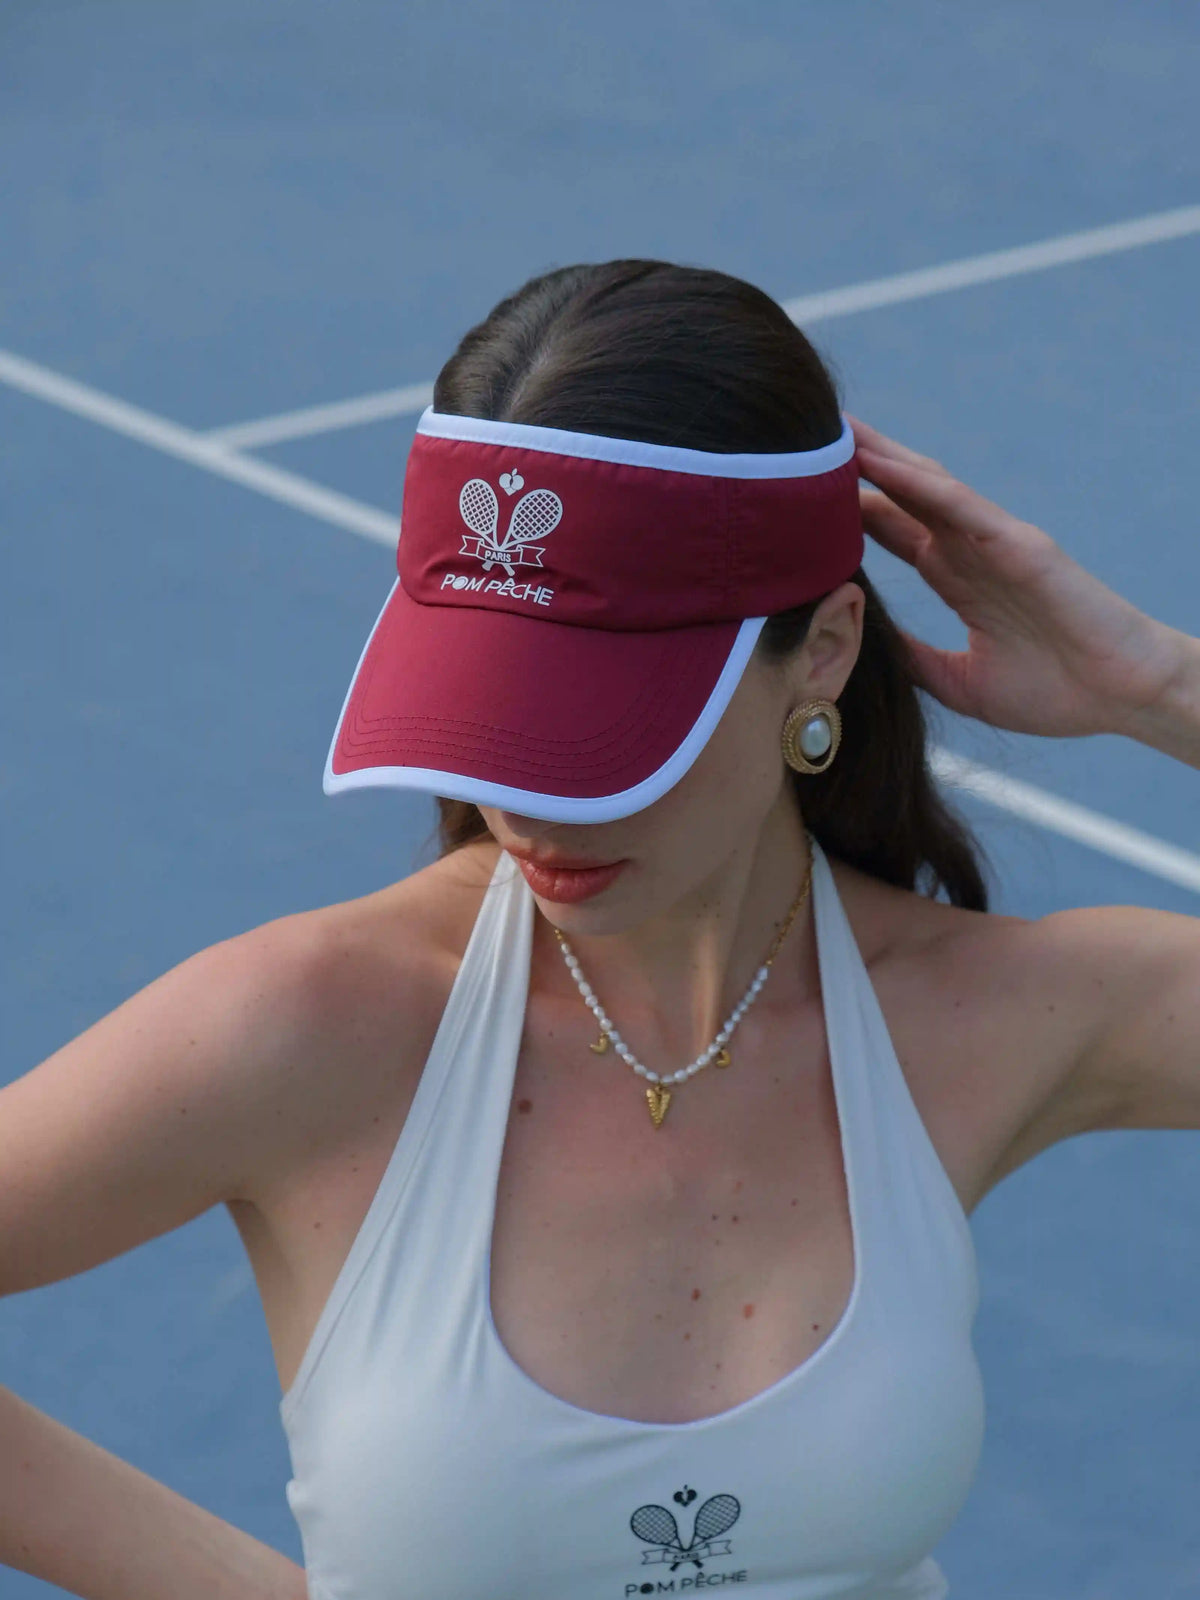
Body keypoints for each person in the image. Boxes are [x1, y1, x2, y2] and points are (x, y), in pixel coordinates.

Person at [1, 260, 1197, 1600]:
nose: (528, 803)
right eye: (495, 706)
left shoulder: (1002, 1015)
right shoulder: (306, 1025)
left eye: (609, 729)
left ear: (825, 651)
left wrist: (1159, 684)